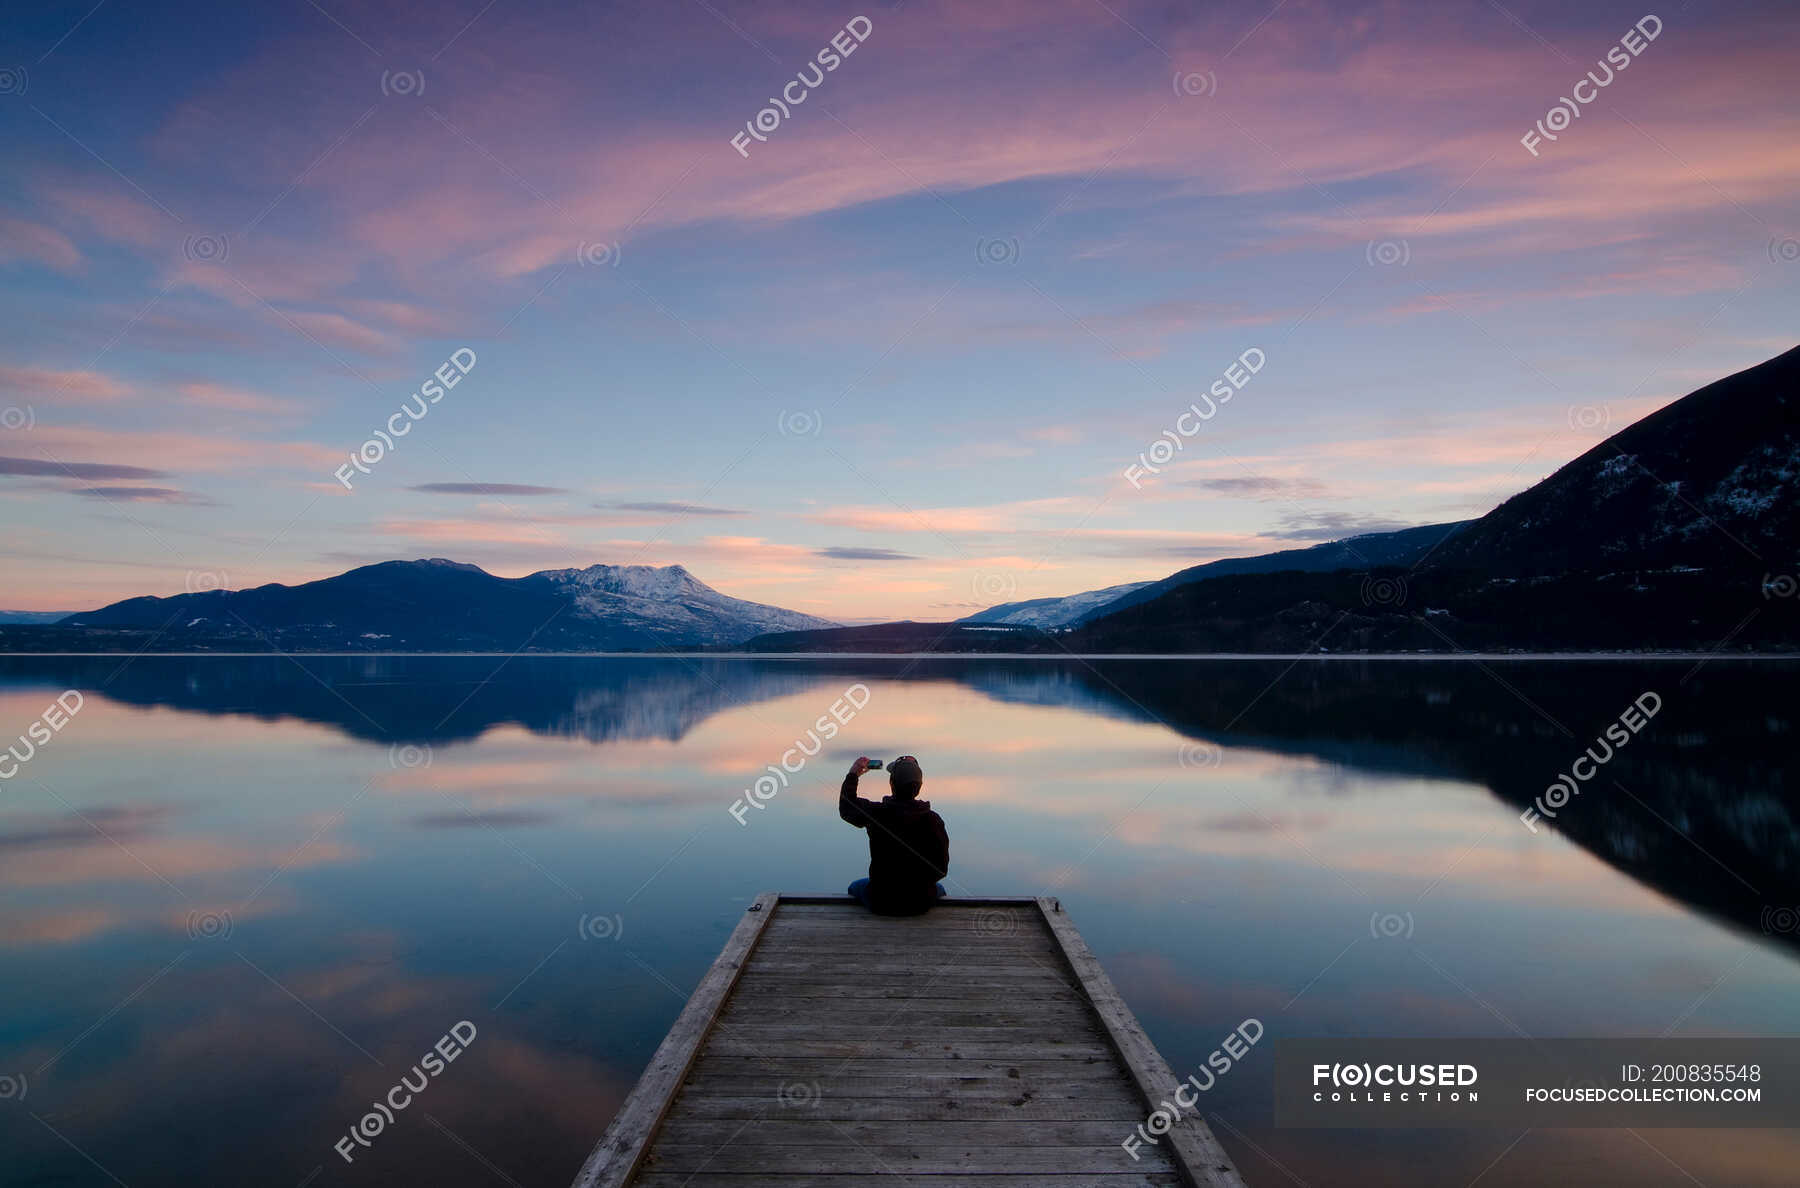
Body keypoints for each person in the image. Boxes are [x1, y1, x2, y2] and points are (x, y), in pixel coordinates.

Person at [839, 755, 949, 915]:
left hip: (882, 901)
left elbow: (847, 807)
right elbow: (941, 869)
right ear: (919, 786)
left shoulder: (876, 813)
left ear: (891, 784)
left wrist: (853, 774)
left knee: (854, 886)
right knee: (940, 889)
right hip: (919, 903)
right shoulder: (933, 820)